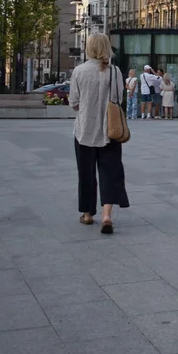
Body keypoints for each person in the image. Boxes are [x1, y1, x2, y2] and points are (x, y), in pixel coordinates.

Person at [68, 33, 130, 234]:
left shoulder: (79, 71)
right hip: (110, 131)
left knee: (85, 174)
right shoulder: (115, 72)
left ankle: (87, 214)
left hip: (84, 131)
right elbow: (119, 97)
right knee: (110, 173)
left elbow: (74, 102)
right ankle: (106, 216)